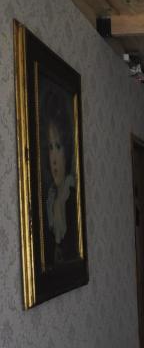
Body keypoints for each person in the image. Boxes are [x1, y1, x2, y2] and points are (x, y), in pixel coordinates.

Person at [44, 93, 79, 265]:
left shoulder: (72, 197)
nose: (54, 159)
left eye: (58, 147)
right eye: (50, 148)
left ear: (67, 151)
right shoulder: (49, 201)